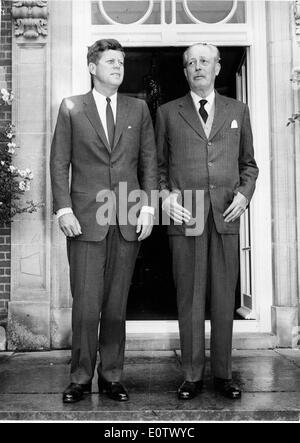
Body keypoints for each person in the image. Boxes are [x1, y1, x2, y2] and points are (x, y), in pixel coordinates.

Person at [50, 39, 157, 403]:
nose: (118, 66)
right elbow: (58, 163)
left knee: (115, 304)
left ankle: (112, 377)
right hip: (84, 221)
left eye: (122, 62)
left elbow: (149, 163)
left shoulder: (138, 109)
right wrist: (63, 209)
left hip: (126, 217)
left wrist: (148, 208)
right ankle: (79, 378)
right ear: (92, 67)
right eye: (111, 61)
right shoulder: (71, 108)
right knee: (85, 305)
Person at [156, 43, 258, 400]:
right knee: (190, 298)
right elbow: (158, 167)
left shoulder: (238, 110)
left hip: (226, 215)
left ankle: (224, 374)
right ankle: (192, 375)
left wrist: (245, 194)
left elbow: (249, 165)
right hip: (186, 218)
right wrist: (165, 197)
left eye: (205, 61)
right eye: (191, 62)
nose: (198, 66)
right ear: (184, 72)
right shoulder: (168, 113)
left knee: (222, 299)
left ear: (218, 67)